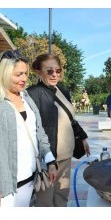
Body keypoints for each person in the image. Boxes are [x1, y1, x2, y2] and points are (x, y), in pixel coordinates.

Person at [0, 50, 57, 207]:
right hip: (3, 187)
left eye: (26, 74)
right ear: (3, 73)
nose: (24, 79)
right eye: (18, 74)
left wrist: (50, 161)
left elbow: (39, 132)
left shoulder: (26, 98)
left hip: (30, 180)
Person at [27, 53, 90, 207]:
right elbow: (33, 128)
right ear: (38, 71)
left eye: (58, 70)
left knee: (62, 196)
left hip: (66, 155)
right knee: (45, 202)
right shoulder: (32, 93)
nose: (55, 74)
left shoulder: (62, 90)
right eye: (49, 71)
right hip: (48, 159)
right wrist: (47, 159)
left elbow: (70, 119)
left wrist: (82, 136)